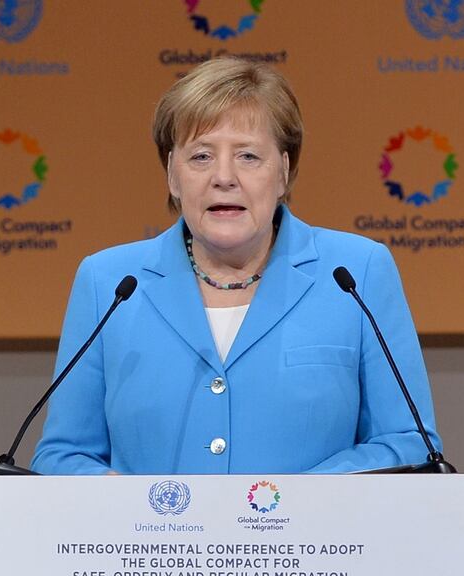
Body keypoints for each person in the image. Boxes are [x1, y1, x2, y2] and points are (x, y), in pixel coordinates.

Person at [32, 57, 441, 475]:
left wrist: (289, 503)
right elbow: (62, 456)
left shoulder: (356, 273)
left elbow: (408, 444)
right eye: (201, 157)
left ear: (283, 172)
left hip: (310, 539)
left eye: (247, 156)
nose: (223, 177)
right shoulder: (109, 283)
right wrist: (138, 508)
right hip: (158, 539)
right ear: (172, 175)